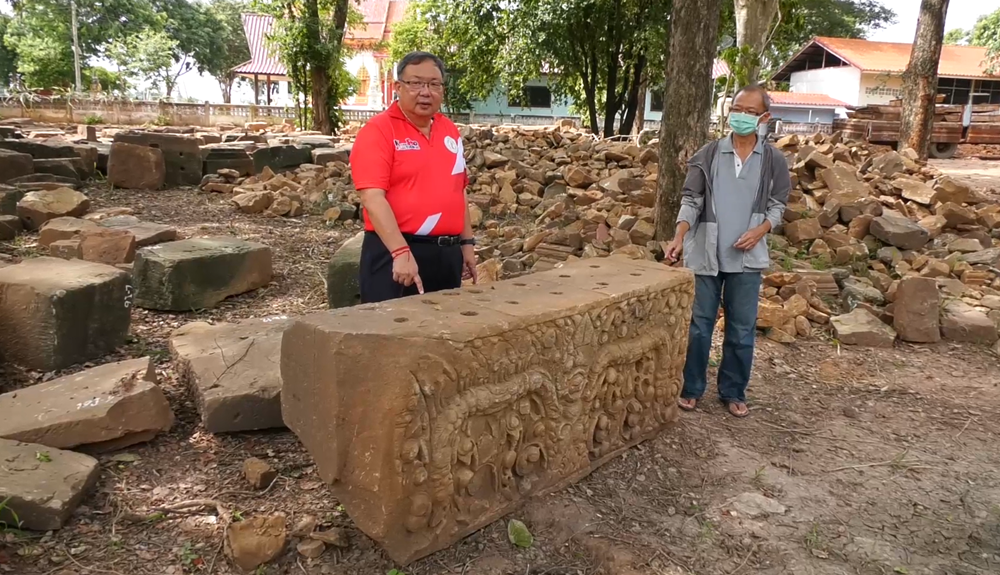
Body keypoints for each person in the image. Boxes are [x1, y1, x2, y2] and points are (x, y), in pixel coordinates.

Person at [664, 84, 791, 418]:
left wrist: (761, 230)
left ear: (764, 117)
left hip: (747, 259)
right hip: (706, 253)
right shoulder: (707, 155)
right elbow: (691, 202)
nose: (742, 116)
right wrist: (679, 237)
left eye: (750, 112)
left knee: (741, 328)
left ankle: (733, 391)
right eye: (737, 109)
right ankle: (691, 388)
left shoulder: (773, 161)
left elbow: (778, 205)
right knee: (699, 326)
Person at [350, 51, 478, 303]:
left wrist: (467, 244)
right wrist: (400, 251)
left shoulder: (449, 130)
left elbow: (458, 189)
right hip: (395, 253)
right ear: (398, 87)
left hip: (446, 254)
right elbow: (372, 197)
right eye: (416, 83)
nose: (425, 91)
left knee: (442, 334)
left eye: (433, 84)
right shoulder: (378, 131)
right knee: (390, 335)